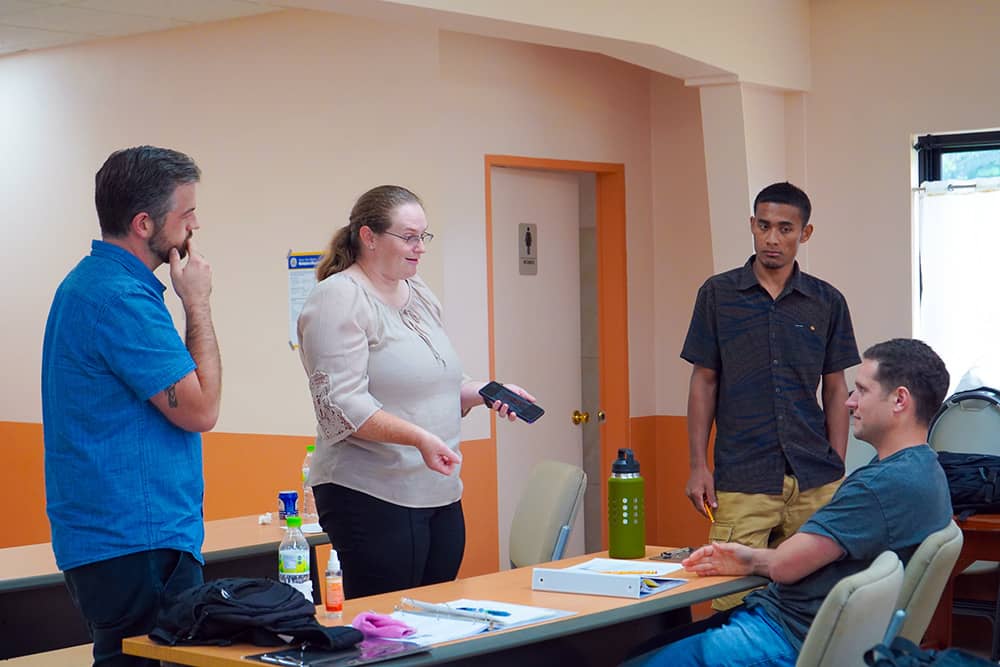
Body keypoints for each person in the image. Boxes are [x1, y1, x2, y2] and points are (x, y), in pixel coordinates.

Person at [628, 338, 953, 666]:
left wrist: (753, 560)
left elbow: (786, 565)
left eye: (862, 391)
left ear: (899, 400)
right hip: (809, 631)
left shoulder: (878, 487)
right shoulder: (928, 472)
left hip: (782, 636)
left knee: (634, 658)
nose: (849, 402)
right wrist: (750, 558)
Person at [297, 184, 534, 599]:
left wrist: (485, 392)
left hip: (438, 490)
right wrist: (419, 438)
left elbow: (438, 383)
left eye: (423, 236)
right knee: (385, 625)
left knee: (435, 616)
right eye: (408, 237)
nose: (419, 248)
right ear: (369, 237)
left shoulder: (418, 292)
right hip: (371, 493)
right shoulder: (339, 298)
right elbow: (342, 406)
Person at [42, 146, 221, 667]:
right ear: (144, 224)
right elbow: (201, 409)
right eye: (186, 215)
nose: (195, 226)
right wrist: (199, 303)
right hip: (138, 543)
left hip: (115, 541)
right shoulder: (123, 299)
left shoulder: (86, 285)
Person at [681, 181, 861, 609]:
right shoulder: (717, 295)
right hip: (742, 477)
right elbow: (703, 381)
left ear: (805, 233)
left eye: (785, 228)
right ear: (752, 226)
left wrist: (836, 464)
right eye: (763, 226)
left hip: (814, 479)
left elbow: (835, 388)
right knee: (732, 602)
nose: (772, 239)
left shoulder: (827, 301)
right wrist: (696, 465)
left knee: (812, 601)